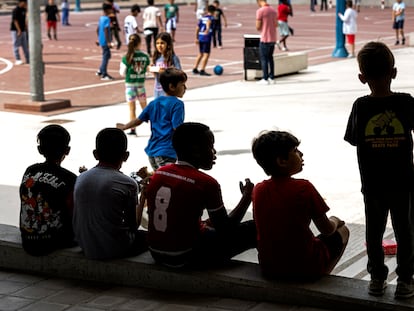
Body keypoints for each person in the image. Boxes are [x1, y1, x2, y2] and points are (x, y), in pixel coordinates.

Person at [344, 41, 414, 299]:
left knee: (374, 233)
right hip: (403, 182)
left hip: (372, 184)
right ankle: (406, 280)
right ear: (394, 72)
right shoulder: (406, 103)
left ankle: (376, 278)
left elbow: (353, 139)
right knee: (406, 231)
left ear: (362, 78)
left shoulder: (360, 106)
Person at [146, 122, 257, 268]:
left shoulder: (159, 174)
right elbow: (226, 229)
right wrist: (247, 197)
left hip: (156, 253)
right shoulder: (206, 183)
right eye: (211, 147)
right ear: (196, 151)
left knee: (207, 222)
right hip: (184, 256)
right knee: (255, 227)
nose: (214, 152)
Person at [251, 130, 349, 279]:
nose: (301, 154)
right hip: (304, 266)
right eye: (295, 151)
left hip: (270, 268)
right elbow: (327, 229)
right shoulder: (304, 187)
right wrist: (336, 220)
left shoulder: (258, 189)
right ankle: (321, 275)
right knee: (343, 231)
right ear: (281, 161)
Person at [73, 128, 147, 260]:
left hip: (85, 245)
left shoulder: (81, 177)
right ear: (126, 156)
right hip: (114, 249)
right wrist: (143, 196)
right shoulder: (128, 183)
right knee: (148, 236)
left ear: (95, 154)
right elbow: (134, 225)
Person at [19, 125, 77, 256]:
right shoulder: (70, 178)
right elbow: (74, 212)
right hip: (55, 241)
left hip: (28, 239)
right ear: (67, 150)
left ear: (40, 149)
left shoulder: (30, 171)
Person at [116, 68, 187, 171]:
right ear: (172, 86)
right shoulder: (177, 104)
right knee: (168, 180)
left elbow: (139, 120)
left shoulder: (154, 103)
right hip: (167, 151)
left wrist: (124, 127)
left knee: (159, 179)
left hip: (152, 152)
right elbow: (178, 129)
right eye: (182, 85)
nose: (185, 88)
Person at [120, 34, 150, 136]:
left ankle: (133, 129)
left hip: (130, 85)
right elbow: (147, 69)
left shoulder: (127, 57)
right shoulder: (145, 56)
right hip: (141, 85)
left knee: (132, 109)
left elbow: (122, 72)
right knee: (145, 109)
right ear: (140, 43)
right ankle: (155, 126)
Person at [152, 32, 182, 98]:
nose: (159, 46)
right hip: (158, 90)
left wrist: (165, 72)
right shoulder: (156, 58)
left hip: (169, 92)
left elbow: (180, 74)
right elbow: (156, 77)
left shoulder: (173, 58)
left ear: (168, 44)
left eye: (162, 43)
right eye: (157, 43)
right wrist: (153, 69)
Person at [256, 0, 277, 85]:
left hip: (265, 37)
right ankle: (271, 77)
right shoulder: (273, 10)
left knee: (264, 58)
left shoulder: (260, 11)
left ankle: (265, 78)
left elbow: (258, 26)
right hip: (273, 37)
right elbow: (276, 24)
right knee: (270, 58)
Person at [192, 5, 215, 76]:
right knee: (206, 54)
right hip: (206, 37)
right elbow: (208, 23)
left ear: (207, 10)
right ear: (214, 11)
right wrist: (207, 29)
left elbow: (197, 28)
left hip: (200, 36)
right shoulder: (212, 18)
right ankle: (202, 70)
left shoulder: (202, 18)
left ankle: (195, 68)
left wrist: (196, 38)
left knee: (200, 53)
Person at [96, 3, 114, 81]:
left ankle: (100, 70)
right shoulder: (107, 19)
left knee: (107, 55)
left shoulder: (101, 18)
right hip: (105, 41)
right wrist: (108, 41)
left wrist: (98, 39)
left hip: (102, 40)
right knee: (106, 57)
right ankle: (104, 74)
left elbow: (97, 29)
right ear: (107, 10)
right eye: (110, 9)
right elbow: (106, 30)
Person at [10, 0, 29, 65]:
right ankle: (17, 59)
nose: (26, 4)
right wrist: (19, 30)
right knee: (16, 44)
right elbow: (15, 21)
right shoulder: (16, 10)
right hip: (15, 30)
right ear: (21, 2)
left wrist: (25, 28)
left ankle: (28, 59)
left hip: (23, 30)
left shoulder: (24, 9)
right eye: (25, 2)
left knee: (25, 45)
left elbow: (25, 18)